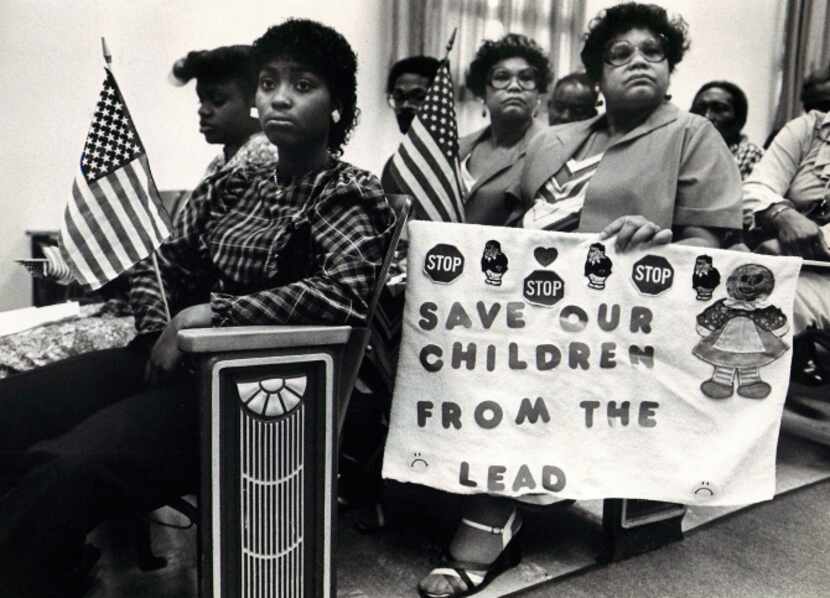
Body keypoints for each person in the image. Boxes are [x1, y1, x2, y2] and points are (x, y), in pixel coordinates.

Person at [0, 18, 393, 598]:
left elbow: (345, 293)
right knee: (13, 409)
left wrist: (209, 315)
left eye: (303, 84)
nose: (278, 97)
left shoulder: (347, 192)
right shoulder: (236, 184)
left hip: (254, 390)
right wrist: (163, 323)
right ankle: (51, 560)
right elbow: (162, 263)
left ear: (338, 106)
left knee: (66, 467)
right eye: (268, 83)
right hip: (175, 362)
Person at [418, 4, 743, 597]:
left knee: (528, 369)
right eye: (620, 55)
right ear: (597, 74)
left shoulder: (694, 135)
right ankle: (449, 475)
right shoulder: (559, 141)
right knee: (430, 337)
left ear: (671, 66)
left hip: (627, 322)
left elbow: (710, 252)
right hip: (533, 304)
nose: (638, 62)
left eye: (653, 52)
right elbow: (496, 223)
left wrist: (660, 244)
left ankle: (493, 511)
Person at [743, 109, 830, 336]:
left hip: (807, 271)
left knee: (779, 305)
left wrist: (785, 248)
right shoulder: (809, 129)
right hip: (785, 267)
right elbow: (756, 187)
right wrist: (782, 216)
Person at [459, 33, 552, 226]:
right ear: (482, 90)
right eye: (501, 77)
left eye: (526, 78)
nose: (514, 86)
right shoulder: (459, 147)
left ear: (538, 92)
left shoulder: (551, 147)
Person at [380, 55, 441, 195]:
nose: (406, 105)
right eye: (399, 97)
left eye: (418, 97)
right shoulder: (394, 166)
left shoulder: (459, 162)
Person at [690, 80, 763, 179]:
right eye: (699, 108)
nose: (707, 117)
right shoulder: (685, 150)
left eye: (719, 109)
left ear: (739, 118)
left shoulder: (749, 154)